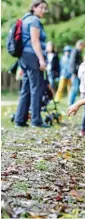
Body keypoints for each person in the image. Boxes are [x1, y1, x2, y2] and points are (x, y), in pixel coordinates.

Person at [14, 0, 49, 128]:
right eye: (41, 7)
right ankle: (36, 120)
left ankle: (20, 120)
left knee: (27, 88)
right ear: (34, 7)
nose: (43, 10)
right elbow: (35, 41)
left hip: (24, 57)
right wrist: (41, 59)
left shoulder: (25, 19)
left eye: (45, 8)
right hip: (32, 57)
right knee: (36, 88)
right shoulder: (34, 21)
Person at [69, 40, 85, 105]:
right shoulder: (75, 51)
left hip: (76, 73)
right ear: (80, 45)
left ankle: (71, 103)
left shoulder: (77, 52)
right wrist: (74, 73)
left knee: (75, 88)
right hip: (75, 73)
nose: (83, 48)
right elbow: (72, 63)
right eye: (83, 46)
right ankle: (71, 103)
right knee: (75, 88)